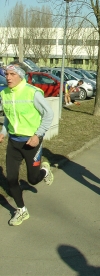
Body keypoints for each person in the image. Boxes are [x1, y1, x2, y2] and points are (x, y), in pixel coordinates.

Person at [0, 62, 54, 226]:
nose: (8, 77)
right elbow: (9, 117)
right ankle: (21, 210)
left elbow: (48, 114)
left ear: (20, 75)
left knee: (33, 179)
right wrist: (3, 132)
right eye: (6, 74)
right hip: (14, 142)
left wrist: (38, 135)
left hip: (32, 143)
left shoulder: (32, 93)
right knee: (11, 179)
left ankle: (44, 171)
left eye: (12, 74)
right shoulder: (4, 93)